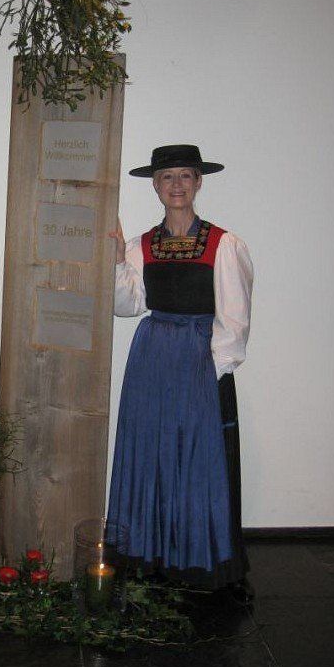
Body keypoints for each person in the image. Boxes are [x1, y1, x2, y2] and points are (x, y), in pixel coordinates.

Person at [107, 144, 254, 605]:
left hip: (199, 361)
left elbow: (234, 320)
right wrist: (116, 260)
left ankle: (200, 556)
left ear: (198, 182)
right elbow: (127, 306)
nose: (176, 185)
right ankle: (150, 552)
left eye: (185, 176)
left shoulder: (224, 244)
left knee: (197, 459)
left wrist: (210, 370)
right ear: (155, 185)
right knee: (151, 454)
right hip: (151, 359)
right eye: (167, 177)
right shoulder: (141, 245)